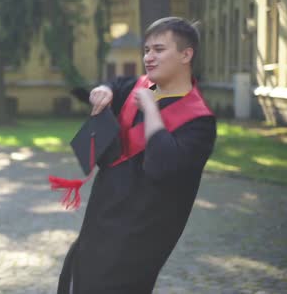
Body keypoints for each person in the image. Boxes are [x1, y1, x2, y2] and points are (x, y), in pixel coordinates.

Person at [55, 17, 217, 294]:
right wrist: (103, 90)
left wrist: (152, 111)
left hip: (142, 233)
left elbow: (162, 167)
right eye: (146, 50)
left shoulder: (199, 121)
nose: (148, 58)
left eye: (158, 50)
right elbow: (117, 85)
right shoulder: (143, 86)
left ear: (185, 54)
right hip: (103, 216)